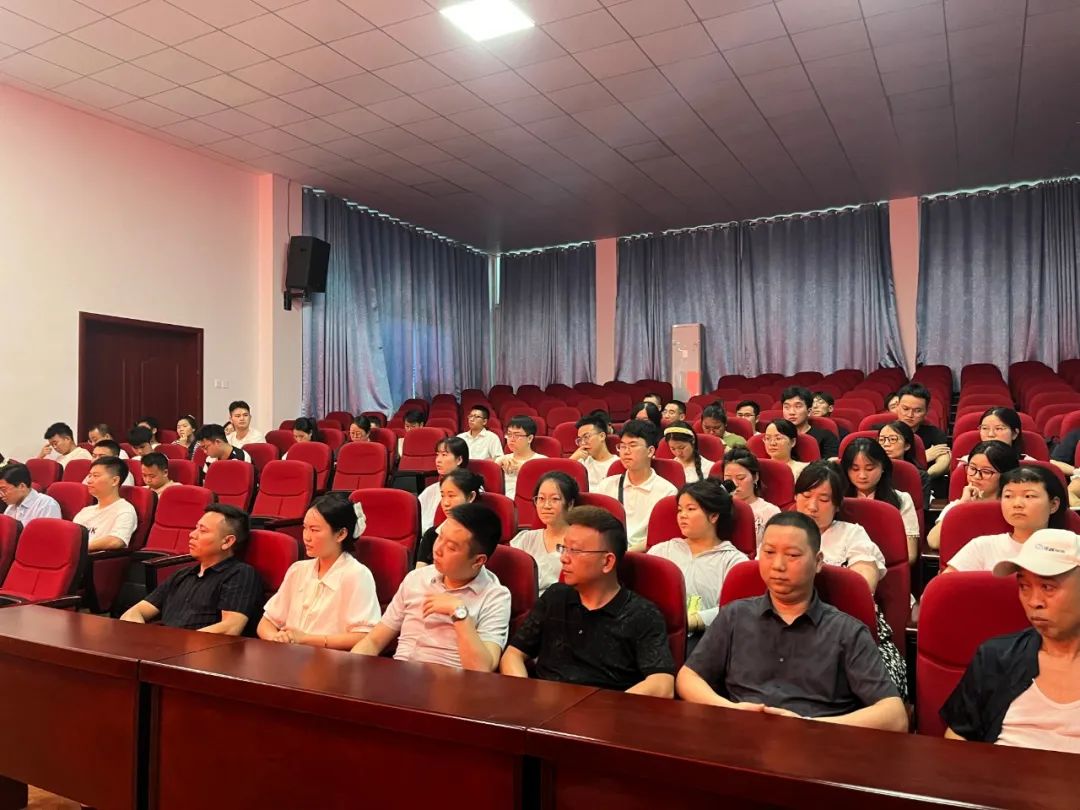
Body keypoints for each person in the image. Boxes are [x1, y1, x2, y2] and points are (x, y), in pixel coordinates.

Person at [676, 512, 907, 731]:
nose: (778, 565)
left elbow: (894, 716)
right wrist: (729, 710)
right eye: (769, 552)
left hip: (817, 745)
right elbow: (688, 677)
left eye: (792, 555)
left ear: (818, 561)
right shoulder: (735, 615)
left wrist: (809, 726)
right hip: (741, 737)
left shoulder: (847, 631)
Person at [500, 505, 675, 696]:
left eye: (575, 551)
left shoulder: (641, 614)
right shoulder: (555, 596)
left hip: (606, 709)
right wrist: (525, 694)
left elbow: (662, 684)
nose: (563, 558)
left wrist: (607, 707)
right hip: (545, 707)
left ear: (607, 562)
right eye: (563, 548)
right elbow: (513, 654)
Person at [942, 528, 1080, 753]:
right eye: (1024, 586)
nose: (1034, 601)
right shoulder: (995, 658)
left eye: (1048, 587)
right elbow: (957, 739)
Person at [351, 502, 510, 672]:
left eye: (451, 547)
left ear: (478, 560)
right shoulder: (416, 578)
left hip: (450, 683)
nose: (437, 549)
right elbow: (373, 641)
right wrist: (349, 671)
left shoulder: (495, 597)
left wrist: (459, 613)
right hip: (399, 677)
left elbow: (482, 669)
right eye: (440, 537)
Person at [794, 461, 906, 695]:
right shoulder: (782, 530)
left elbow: (863, 585)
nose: (812, 506)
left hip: (849, 629)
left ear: (837, 505)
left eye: (824, 499)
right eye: (806, 496)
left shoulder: (851, 533)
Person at [258, 494, 380, 650]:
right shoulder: (298, 570)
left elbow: (364, 636)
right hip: (288, 655)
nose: (306, 537)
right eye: (305, 528)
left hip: (329, 659)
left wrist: (307, 640)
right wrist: (275, 638)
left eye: (314, 530)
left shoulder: (357, 575)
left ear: (341, 534)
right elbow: (267, 622)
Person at [120, 503, 262, 633]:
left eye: (203, 531)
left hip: (203, 650)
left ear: (227, 541)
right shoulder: (182, 575)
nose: (192, 535)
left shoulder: (240, 574)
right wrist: (140, 635)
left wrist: (178, 644)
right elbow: (136, 611)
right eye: (196, 528)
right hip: (162, 647)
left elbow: (230, 627)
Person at [648, 480, 748, 653]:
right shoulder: (661, 551)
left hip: (706, 639)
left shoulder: (733, 561)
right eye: (680, 510)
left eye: (691, 509)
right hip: (655, 632)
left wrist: (692, 621)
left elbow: (735, 609)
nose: (682, 515)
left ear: (713, 516)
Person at [943, 466, 1069, 574]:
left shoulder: (1072, 548)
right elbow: (944, 589)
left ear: (1053, 505)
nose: (1017, 504)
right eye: (1008, 496)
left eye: (1029, 496)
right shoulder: (982, 547)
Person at [596, 420, 678, 552]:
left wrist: (627, 554)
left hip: (648, 555)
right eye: (622, 446)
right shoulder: (606, 486)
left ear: (650, 451)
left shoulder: (667, 492)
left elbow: (661, 538)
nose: (625, 452)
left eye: (632, 445)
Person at [926, 441, 1021, 550]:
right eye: (972, 468)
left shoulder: (1017, 507)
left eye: (986, 472)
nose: (976, 476)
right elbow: (933, 542)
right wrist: (962, 506)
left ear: (1006, 475)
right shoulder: (958, 505)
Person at [840, 438, 920, 564]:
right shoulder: (837, 499)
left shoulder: (901, 499)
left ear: (883, 467)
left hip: (887, 567)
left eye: (869, 468)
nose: (862, 476)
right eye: (855, 469)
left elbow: (911, 555)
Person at [510, 471, 577, 596]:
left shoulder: (578, 542)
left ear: (570, 504)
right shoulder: (526, 538)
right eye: (541, 499)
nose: (546, 506)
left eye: (554, 499)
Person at [415, 468, 483, 567]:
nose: (445, 503)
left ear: (471, 497)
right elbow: (419, 573)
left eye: (451, 496)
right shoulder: (431, 535)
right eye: (443, 496)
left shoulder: (480, 536)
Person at [74, 457, 138, 552]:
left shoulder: (125, 510)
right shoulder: (85, 511)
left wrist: (78, 549)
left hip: (94, 559)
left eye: (96, 476)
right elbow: (72, 537)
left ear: (114, 481)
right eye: (89, 476)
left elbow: (116, 541)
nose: (89, 481)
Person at [722, 447, 780, 546]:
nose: (735, 484)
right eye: (728, 479)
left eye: (741, 478)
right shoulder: (717, 508)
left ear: (755, 477)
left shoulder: (770, 512)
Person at [895, 383, 951, 479]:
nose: (910, 415)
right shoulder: (880, 430)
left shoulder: (935, 434)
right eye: (905, 409)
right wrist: (922, 458)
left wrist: (923, 478)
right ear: (897, 406)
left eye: (917, 411)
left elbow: (944, 461)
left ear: (926, 411)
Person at [420, 437, 468, 531]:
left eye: (444, 455)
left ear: (459, 460)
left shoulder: (470, 488)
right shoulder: (431, 489)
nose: (438, 460)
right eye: (437, 455)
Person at [955, 408, 1030, 466]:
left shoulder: (1029, 464)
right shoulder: (967, 463)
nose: (991, 434)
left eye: (999, 428)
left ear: (1014, 434)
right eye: (985, 428)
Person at [496, 415, 546, 501]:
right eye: (509, 434)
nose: (511, 439)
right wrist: (496, 467)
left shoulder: (542, 461)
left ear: (529, 438)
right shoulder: (501, 460)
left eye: (517, 435)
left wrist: (525, 471)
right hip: (502, 504)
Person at [781, 386, 839, 459]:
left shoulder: (826, 436)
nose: (791, 412)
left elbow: (830, 464)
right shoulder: (777, 435)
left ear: (809, 411)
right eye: (787, 407)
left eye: (798, 406)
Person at [569, 411, 615, 488]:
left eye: (586, 437)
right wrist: (572, 460)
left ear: (602, 436)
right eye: (580, 439)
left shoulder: (616, 464)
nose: (583, 443)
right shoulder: (580, 462)